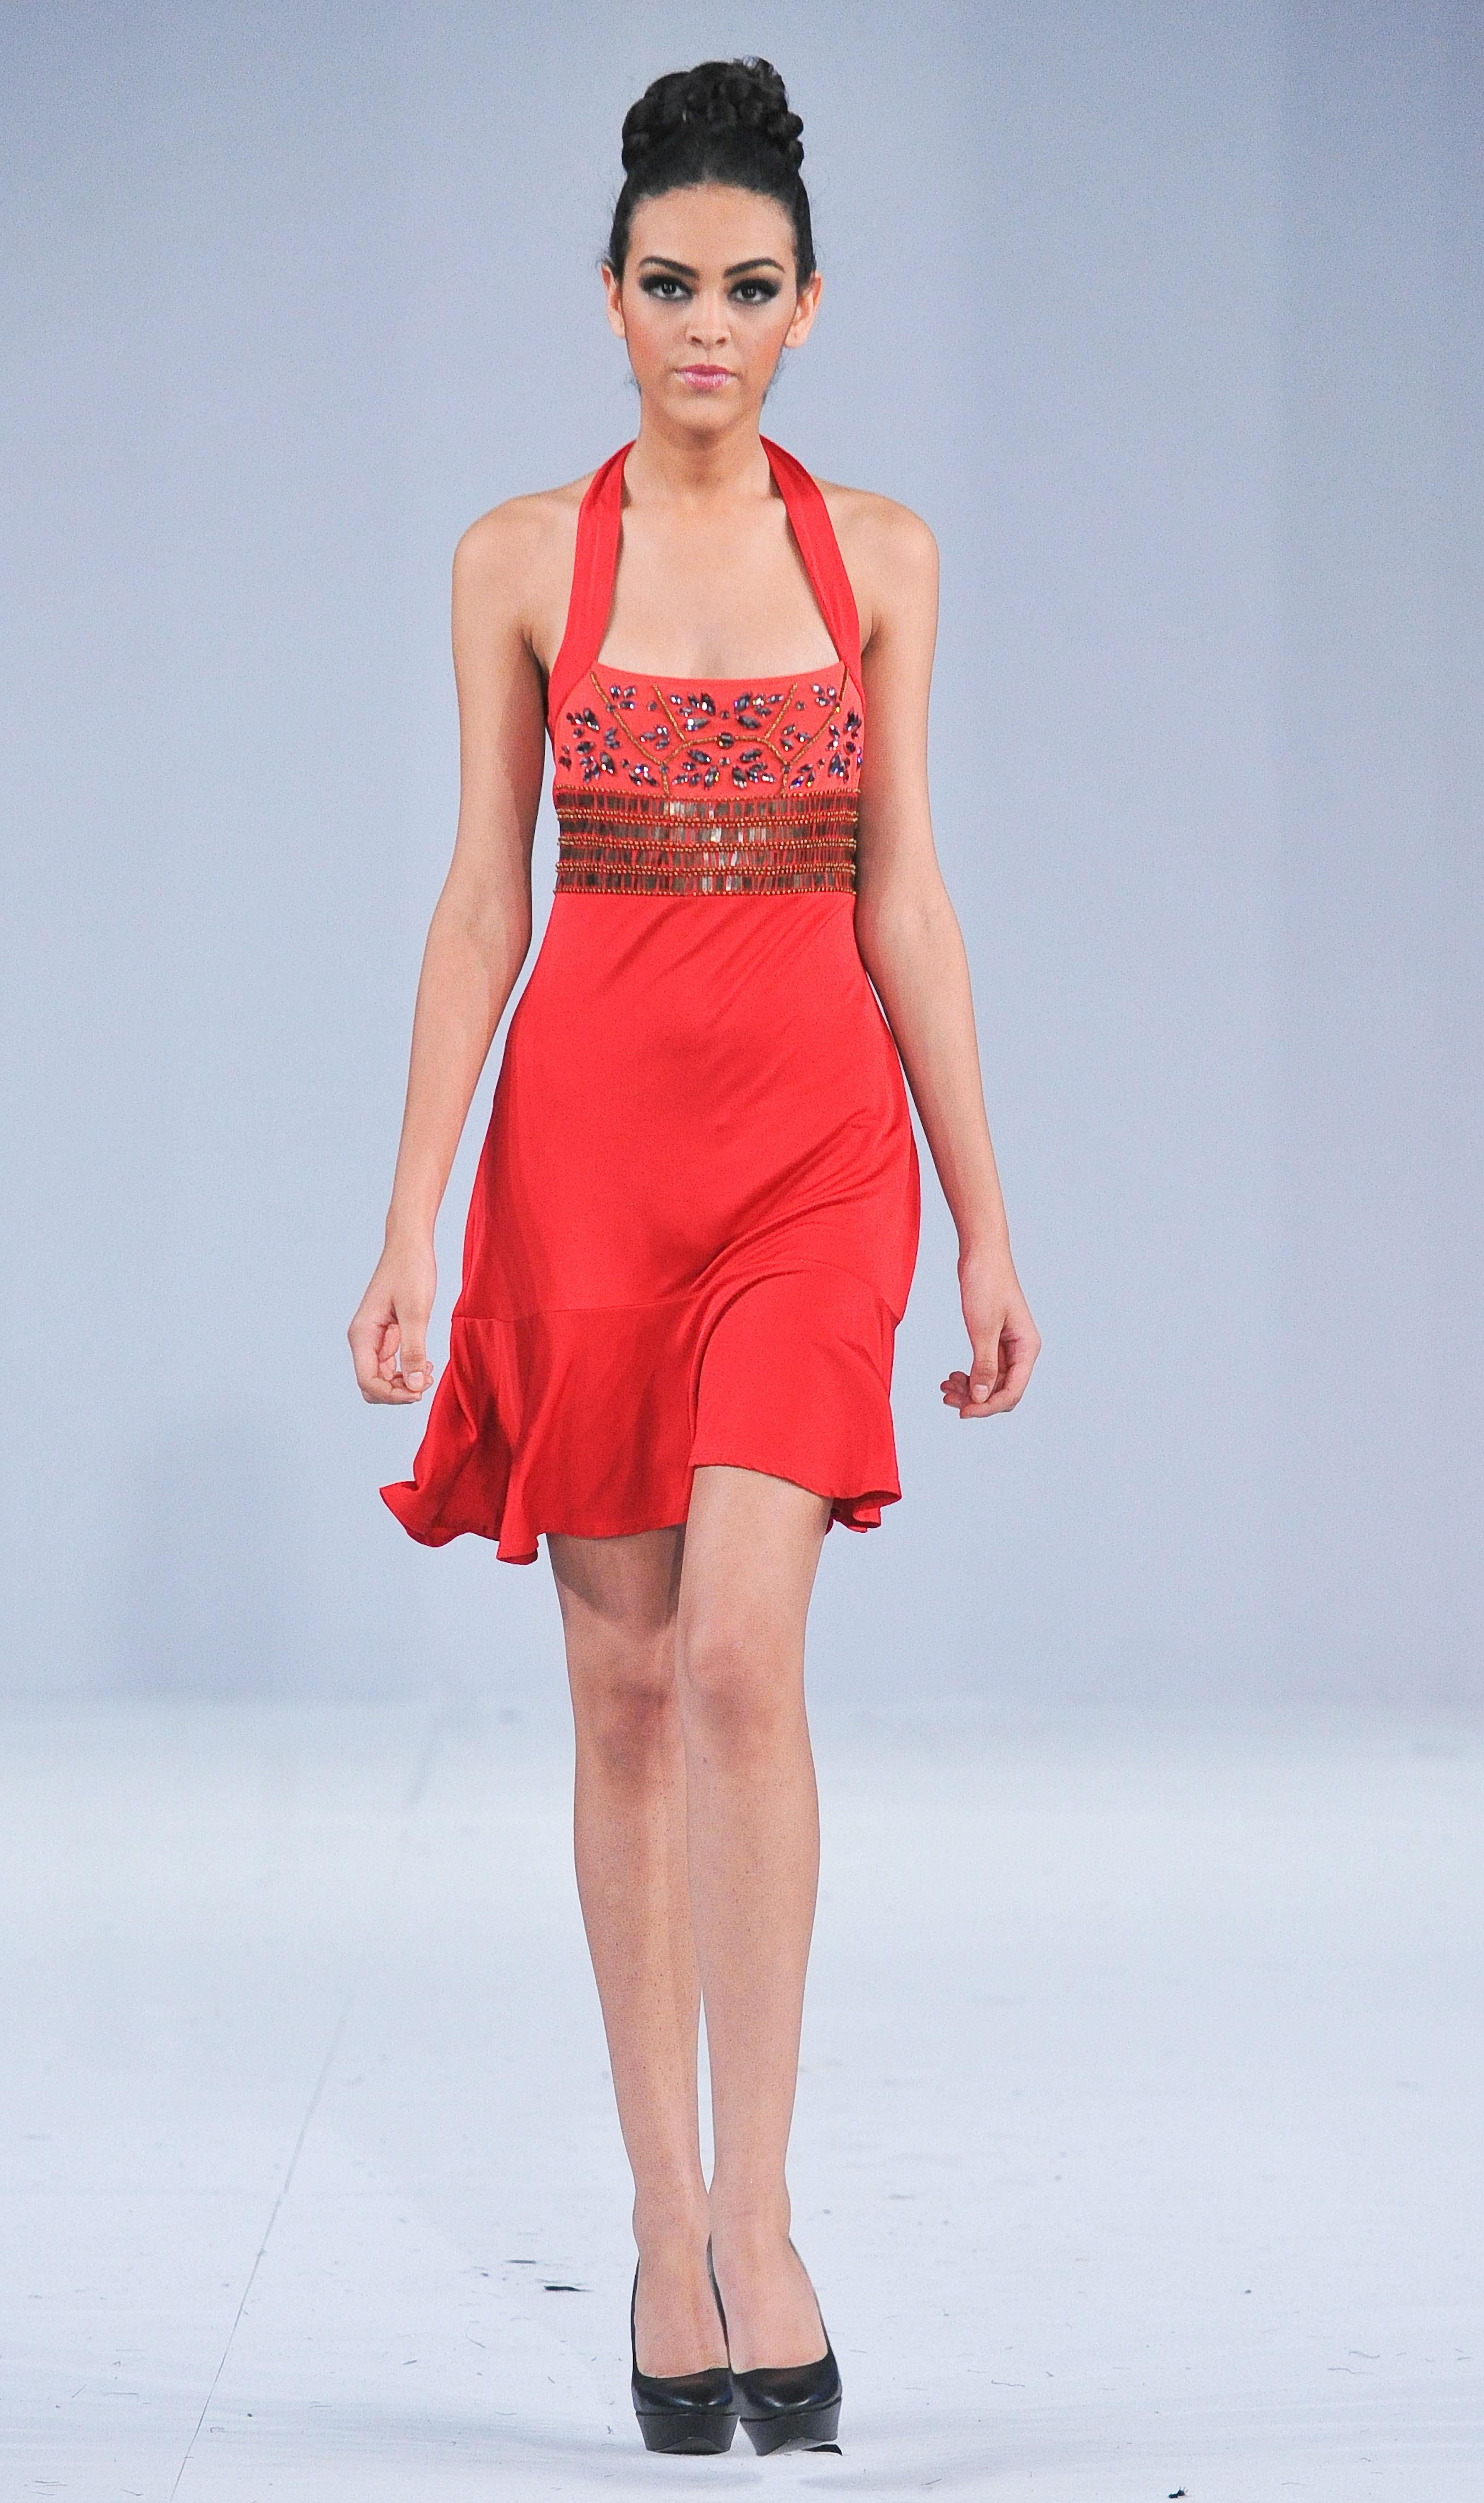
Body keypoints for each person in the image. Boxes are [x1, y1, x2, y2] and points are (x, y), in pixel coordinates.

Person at [348, 55, 1039, 2458]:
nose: (708, 326)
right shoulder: (519, 561)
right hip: (586, 1172)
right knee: (625, 1691)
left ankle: (764, 2215)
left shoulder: (888, 562)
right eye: (670, 286)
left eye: (751, 289)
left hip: (816, 1163)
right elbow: (480, 903)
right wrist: (411, 1217)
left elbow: (908, 900)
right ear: (613, 295)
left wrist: (985, 1220)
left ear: (809, 305)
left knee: (744, 1657)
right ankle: (660, 2228)